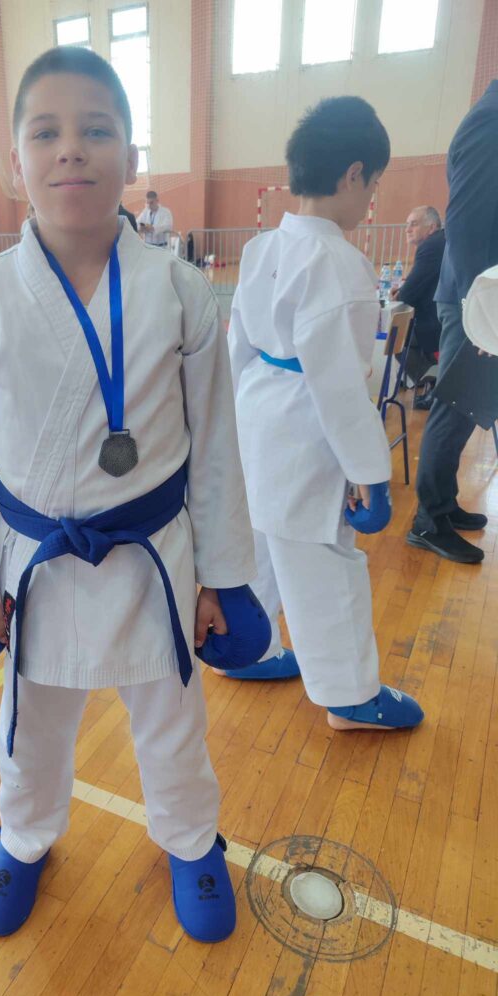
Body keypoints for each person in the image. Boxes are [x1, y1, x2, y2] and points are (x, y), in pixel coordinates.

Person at [0, 46, 257, 944]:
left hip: (154, 556)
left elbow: (216, 449)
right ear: (16, 164)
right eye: (46, 132)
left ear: (131, 158)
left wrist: (225, 577)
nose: (71, 148)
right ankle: (23, 837)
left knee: (172, 716)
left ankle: (190, 839)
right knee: (30, 725)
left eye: (96, 130)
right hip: (36, 562)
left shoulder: (179, 291)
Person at [223, 97, 424, 733]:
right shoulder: (340, 263)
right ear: (353, 174)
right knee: (323, 562)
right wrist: (370, 473)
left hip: (256, 413)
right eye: (374, 184)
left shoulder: (262, 248)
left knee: (258, 544)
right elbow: (340, 388)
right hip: (306, 430)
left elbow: (237, 349)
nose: (370, 201)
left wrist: (227, 430)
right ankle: (350, 697)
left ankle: (245, 648)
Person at [407, 79, 498, 564]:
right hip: (473, 298)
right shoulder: (490, 121)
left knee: (468, 405)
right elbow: (466, 225)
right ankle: (429, 520)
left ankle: (443, 502)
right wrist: (481, 312)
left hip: (476, 295)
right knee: (455, 405)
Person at [391, 206, 445, 399]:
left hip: (436, 322)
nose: (407, 229)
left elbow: (408, 294)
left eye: (413, 224)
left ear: (431, 227)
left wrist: (399, 294)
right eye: (407, 224)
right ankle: (434, 383)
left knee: (396, 340)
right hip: (444, 317)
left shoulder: (430, 247)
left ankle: (436, 384)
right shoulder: (439, 242)